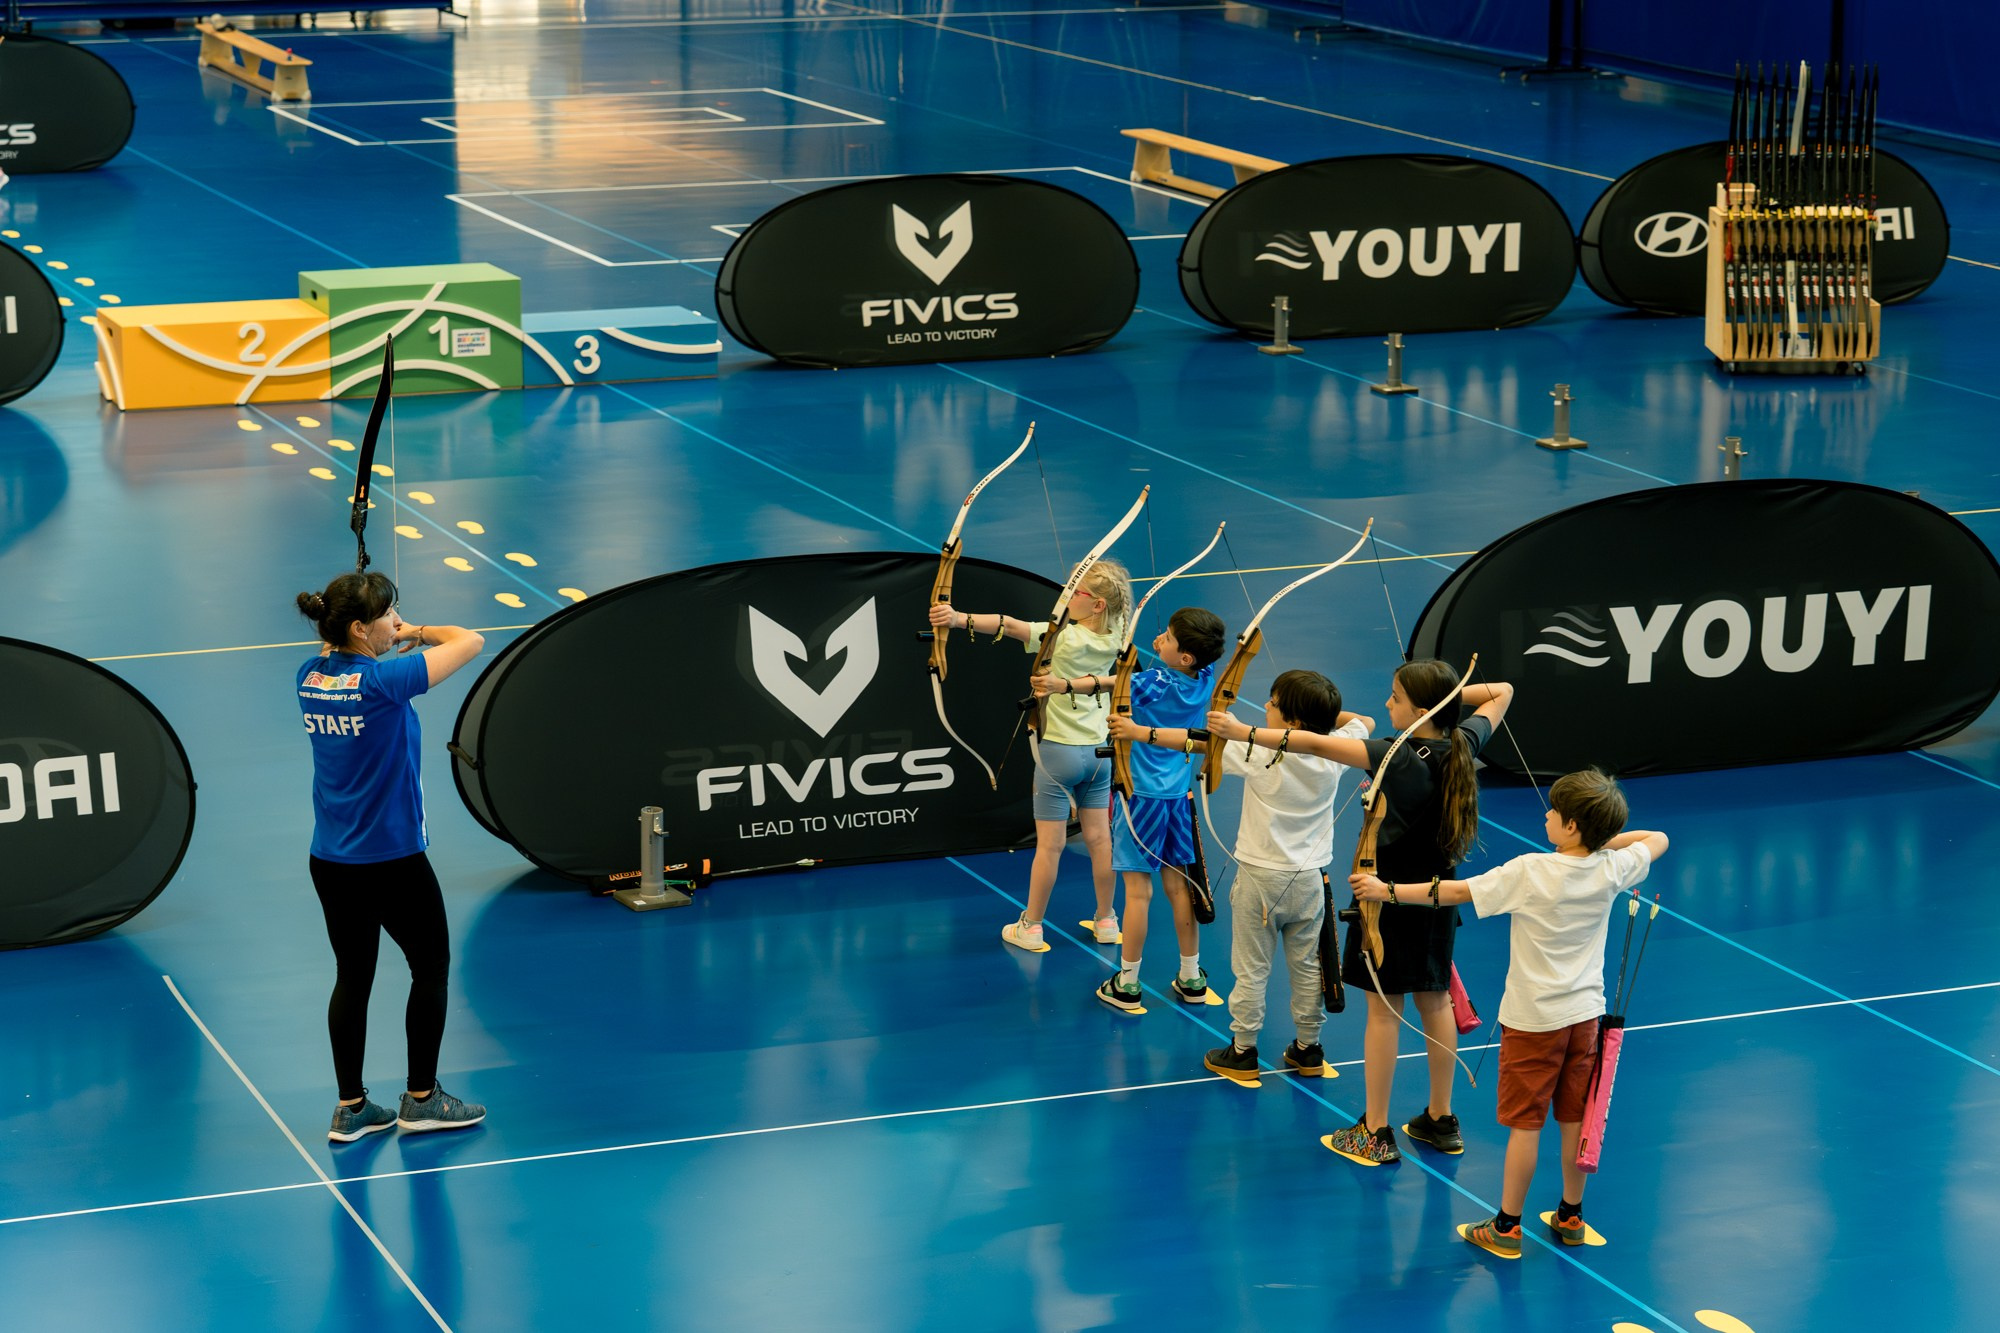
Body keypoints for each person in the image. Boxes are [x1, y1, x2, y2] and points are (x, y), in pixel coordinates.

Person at [1350, 768, 1667, 1258]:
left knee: (1526, 1126)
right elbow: (1658, 838)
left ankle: (1507, 1226)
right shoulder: (1613, 868)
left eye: (1556, 813)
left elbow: (1453, 893)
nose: (1546, 814)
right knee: (1572, 1118)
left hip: (1534, 1022)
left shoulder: (1530, 871)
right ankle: (1569, 1215)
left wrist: (1385, 891)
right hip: (1586, 1017)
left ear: (1573, 828)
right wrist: (1603, 844)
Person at [1212, 660, 1514, 1164]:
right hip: (1439, 895)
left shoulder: (1395, 753)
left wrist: (1242, 730)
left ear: (1420, 712)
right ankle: (1440, 1118)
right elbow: (1502, 689)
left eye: (1396, 699)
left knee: (1385, 1011)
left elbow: (1310, 743)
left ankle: (1375, 1130)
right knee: (1435, 1002)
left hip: (1386, 898)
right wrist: (1446, 703)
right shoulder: (1461, 742)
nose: (1387, 705)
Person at [295, 571, 487, 1142]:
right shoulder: (386, 683)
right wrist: (418, 631)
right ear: (358, 626)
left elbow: (336, 646)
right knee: (429, 968)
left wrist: (370, 621)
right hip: (393, 861)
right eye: (386, 614)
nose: (394, 621)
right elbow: (471, 641)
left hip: (330, 859)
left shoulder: (309, 676)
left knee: (352, 975)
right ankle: (422, 1099)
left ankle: (351, 1107)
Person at [1128, 670, 1372, 1078]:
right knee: (1309, 966)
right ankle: (1309, 1048)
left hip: (1260, 881)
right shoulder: (1336, 751)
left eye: (1274, 704)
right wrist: (1318, 719)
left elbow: (1194, 741)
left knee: (1251, 968)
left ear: (1292, 722)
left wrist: (1138, 731)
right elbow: (1364, 721)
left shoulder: (1256, 751)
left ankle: (1243, 1051)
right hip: (1310, 880)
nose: (1264, 708)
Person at [928, 559, 1133, 951]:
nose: (1067, 596)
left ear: (1098, 606)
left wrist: (956, 619)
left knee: (1050, 846)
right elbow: (1115, 674)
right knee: (1100, 840)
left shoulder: (1066, 639)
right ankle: (1107, 920)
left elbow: (1012, 626)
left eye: (1077, 592)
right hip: (1099, 753)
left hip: (1058, 754)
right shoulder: (1118, 635)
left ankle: (1032, 925)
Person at [1096, 607, 1226, 1011]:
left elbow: (1108, 685)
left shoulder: (1148, 684)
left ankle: (1128, 982)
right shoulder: (1204, 680)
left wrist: (1064, 684)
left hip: (1140, 798)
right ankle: (1190, 975)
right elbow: (1154, 674)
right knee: (1177, 887)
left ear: (1186, 656)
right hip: (1176, 798)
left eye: (1167, 638)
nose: (1160, 641)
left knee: (1137, 892)